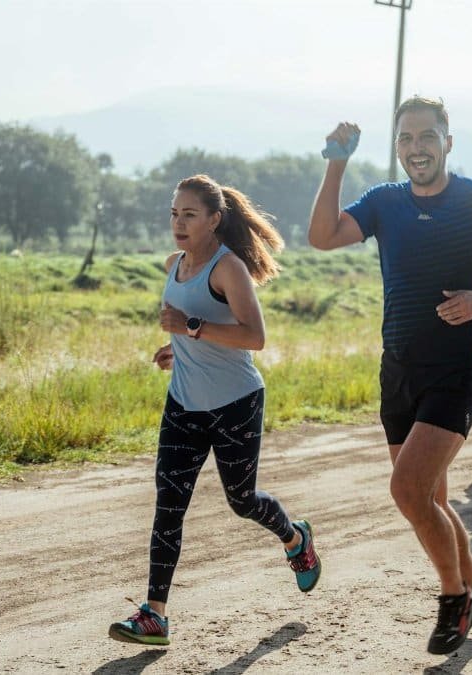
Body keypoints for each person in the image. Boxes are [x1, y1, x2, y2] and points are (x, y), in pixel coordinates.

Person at [308, 97, 472, 655]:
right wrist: (336, 161)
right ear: (398, 147)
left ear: (448, 142)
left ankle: (453, 597)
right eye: (406, 139)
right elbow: (322, 236)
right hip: (399, 369)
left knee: (408, 490)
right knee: (428, 499)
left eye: (427, 136)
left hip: (460, 367)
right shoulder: (385, 202)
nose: (417, 148)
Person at [110, 174, 322, 647]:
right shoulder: (174, 264)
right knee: (169, 507)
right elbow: (187, 327)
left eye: (189, 214)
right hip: (184, 404)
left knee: (242, 501)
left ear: (214, 220)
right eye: (173, 213)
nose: (178, 223)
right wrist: (176, 346)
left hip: (235, 404)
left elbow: (254, 337)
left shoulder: (229, 270)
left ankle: (295, 539)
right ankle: (154, 616)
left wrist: (192, 327)